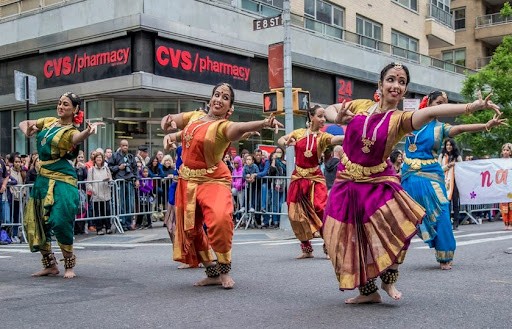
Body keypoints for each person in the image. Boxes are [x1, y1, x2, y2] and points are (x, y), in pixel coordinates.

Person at [322, 62, 501, 304]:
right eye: (391, 80)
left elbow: (432, 113)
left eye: (402, 82)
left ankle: (389, 278)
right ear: (380, 83)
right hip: (346, 181)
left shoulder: (400, 119)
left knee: (400, 227)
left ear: (405, 90)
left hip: (377, 181)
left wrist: (472, 107)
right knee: (347, 237)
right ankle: (368, 292)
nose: (396, 85)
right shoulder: (360, 106)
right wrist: (338, 116)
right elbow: (330, 108)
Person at [161, 82, 282, 289]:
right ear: (210, 99)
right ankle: (212, 271)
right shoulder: (195, 117)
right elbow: (174, 124)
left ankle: (224, 268)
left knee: (219, 219)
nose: (219, 99)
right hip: (187, 181)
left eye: (225, 98)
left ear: (229, 108)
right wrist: (168, 129)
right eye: (217, 95)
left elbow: (239, 128)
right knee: (191, 228)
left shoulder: (223, 127)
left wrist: (263, 123)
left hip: (212, 179)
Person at [401, 90, 505, 270]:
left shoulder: (441, 128)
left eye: (445, 103)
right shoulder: (410, 121)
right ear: (429, 103)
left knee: (441, 212)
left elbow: (461, 128)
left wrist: (486, 125)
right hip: (409, 175)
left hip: (432, 175)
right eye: (439, 102)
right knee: (404, 214)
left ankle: (445, 254)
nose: (442, 106)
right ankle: (391, 258)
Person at [19, 91, 103, 278]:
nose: (61, 107)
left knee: (60, 219)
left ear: (75, 110)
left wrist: (87, 132)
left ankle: (69, 264)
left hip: (62, 179)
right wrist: (27, 129)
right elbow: (24, 123)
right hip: (42, 179)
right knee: (36, 221)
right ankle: (50, 264)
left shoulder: (71, 131)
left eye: (66, 104)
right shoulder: (49, 121)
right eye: (59, 103)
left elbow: (76, 139)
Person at [277, 104, 344, 259]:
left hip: (315, 178)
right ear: (311, 116)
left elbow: (335, 139)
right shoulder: (299, 133)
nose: (323, 120)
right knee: (295, 214)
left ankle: (328, 245)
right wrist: (284, 142)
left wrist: (353, 134)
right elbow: (281, 139)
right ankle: (306, 249)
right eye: (320, 116)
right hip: (298, 177)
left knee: (321, 208)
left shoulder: (323, 136)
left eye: (324, 117)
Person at [108, 139, 139, 231]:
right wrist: (119, 167)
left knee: (130, 203)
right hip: (120, 182)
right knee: (121, 203)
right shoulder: (115, 156)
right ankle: (122, 223)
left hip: (129, 181)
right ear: (120, 146)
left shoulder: (130, 156)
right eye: (123, 145)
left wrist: (137, 179)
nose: (125, 147)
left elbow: (135, 169)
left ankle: (128, 223)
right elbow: (109, 167)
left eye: (127, 145)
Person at [439, 138, 464, 230]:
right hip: (445, 181)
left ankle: (456, 222)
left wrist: (455, 165)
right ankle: (448, 221)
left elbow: (462, 168)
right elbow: (439, 168)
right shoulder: (442, 156)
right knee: (447, 202)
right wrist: (448, 166)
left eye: (450, 145)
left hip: (455, 181)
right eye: (447, 145)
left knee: (455, 202)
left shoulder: (457, 156)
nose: (448, 147)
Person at [86, 152, 113, 235]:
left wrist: (109, 181)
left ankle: (108, 228)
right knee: (98, 213)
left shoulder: (106, 169)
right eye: (97, 158)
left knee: (107, 211)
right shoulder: (91, 170)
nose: (99, 159)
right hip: (96, 195)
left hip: (106, 194)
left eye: (100, 158)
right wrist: (94, 191)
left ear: (102, 159)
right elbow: (88, 184)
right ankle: (99, 229)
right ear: (95, 159)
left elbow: (111, 181)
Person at [266, 146, 287, 228]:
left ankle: (281, 220)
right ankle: (275, 221)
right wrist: (274, 160)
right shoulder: (273, 161)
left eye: (280, 152)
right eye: (277, 152)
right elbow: (272, 170)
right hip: (276, 184)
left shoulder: (285, 162)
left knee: (281, 203)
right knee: (275, 203)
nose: (278, 153)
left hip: (284, 185)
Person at [499, 143, 512, 230]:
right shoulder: (498, 162)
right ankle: (505, 223)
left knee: (510, 206)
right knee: (504, 206)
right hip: (502, 187)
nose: (505, 152)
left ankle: (510, 223)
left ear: (510, 152)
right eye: (504, 150)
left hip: (510, 187)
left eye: (507, 150)